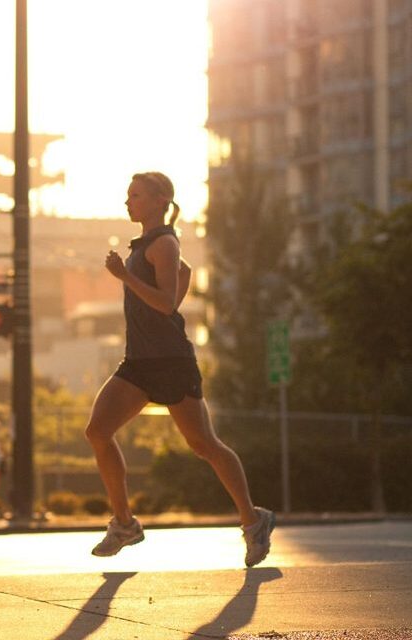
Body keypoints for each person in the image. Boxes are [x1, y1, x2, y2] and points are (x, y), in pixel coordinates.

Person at [84, 171, 274, 567]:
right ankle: (124, 523)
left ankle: (253, 520)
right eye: (127, 195)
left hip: (170, 362)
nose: (127, 202)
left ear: (159, 200)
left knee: (204, 444)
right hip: (139, 361)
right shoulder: (152, 244)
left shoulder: (164, 244)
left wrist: (124, 276)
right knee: (98, 431)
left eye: (135, 195)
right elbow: (184, 275)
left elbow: (167, 302)